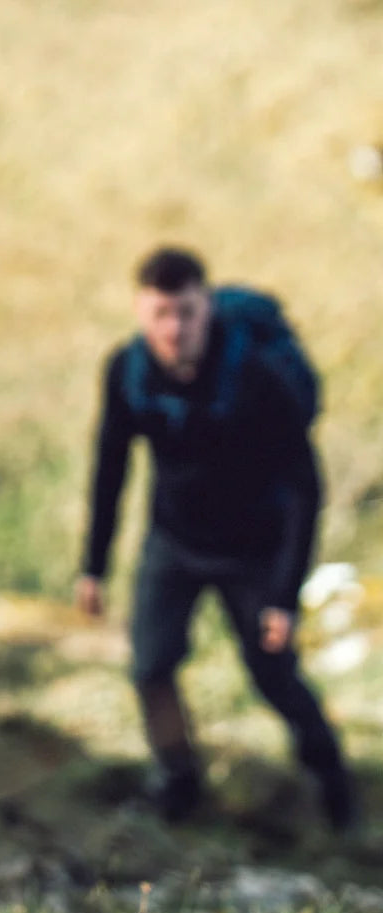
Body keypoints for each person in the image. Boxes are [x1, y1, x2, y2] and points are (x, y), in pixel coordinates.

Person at [77, 246, 355, 831]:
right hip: (174, 542)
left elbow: (305, 487)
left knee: (273, 674)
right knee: (151, 668)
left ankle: (333, 779)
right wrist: (93, 565)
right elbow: (111, 466)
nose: (174, 330)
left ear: (207, 308)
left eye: (187, 313)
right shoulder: (127, 370)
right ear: (139, 312)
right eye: (161, 315)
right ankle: (178, 782)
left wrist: (284, 594)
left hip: (254, 549)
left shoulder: (256, 375)